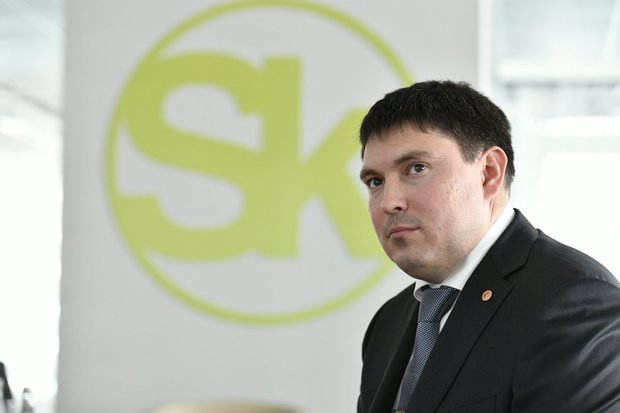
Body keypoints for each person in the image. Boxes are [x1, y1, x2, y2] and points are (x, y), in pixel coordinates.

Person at [356, 80, 620, 413]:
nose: (389, 202)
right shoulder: (389, 321)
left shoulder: (574, 301)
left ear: (489, 172)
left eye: (416, 168)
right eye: (375, 181)